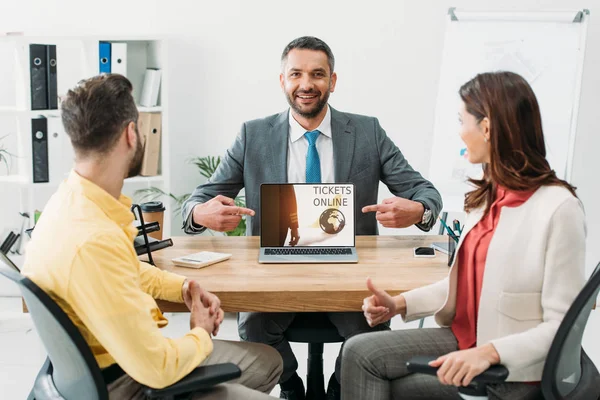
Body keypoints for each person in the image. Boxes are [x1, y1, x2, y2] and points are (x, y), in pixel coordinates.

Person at [181, 36, 443, 399]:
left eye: (318, 74)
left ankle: (339, 387)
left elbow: (426, 193)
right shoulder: (252, 135)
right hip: (274, 270)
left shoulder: (367, 132)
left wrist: (419, 210)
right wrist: (200, 212)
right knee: (255, 326)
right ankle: (291, 384)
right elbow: (197, 201)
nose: (306, 84)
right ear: (283, 81)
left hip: (350, 274)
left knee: (371, 332)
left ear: (332, 81)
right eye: (296, 74)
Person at [22, 74, 282, 400]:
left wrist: (183, 286)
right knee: (264, 366)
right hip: (129, 384)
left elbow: (121, 267)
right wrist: (200, 331)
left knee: (269, 360)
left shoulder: (68, 204)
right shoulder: (94, 240)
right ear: (132, 133)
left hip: (98, 371)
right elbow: (158, 368)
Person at [340, 71, 587, 400]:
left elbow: (563, 328)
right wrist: (399, 305)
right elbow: (464, 286)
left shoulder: (559, 209)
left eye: (462, 121)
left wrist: (489, 353)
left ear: (486, 128)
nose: (459, 133)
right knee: (359, 353)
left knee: (390, 382)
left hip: (511, 370)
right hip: (467, 339)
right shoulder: (488, 197)